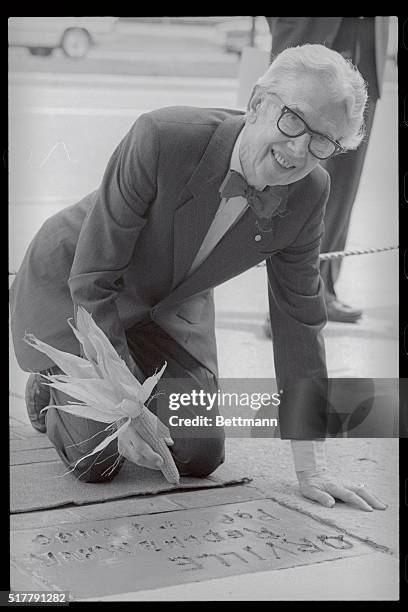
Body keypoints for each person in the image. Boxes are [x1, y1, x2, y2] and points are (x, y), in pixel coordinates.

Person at [10, 44, 386, 512]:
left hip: (166, 305)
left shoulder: (310, 192)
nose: (299, 149)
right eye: (294, 121)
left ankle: (126, 383)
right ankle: (50, 387)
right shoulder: (164, 136)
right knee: (98, 456)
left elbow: (300, 321)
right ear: (256, 104)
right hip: (73, 283)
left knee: (199, 451)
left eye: (323, 141)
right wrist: (128, 409)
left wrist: (311, 464)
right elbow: (93, 276)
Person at [265, 17, 390, 323]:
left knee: (344, 177)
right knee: (295, 168)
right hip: (312, 31)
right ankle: (285, 301)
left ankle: (323, 288)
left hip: (367, 39)